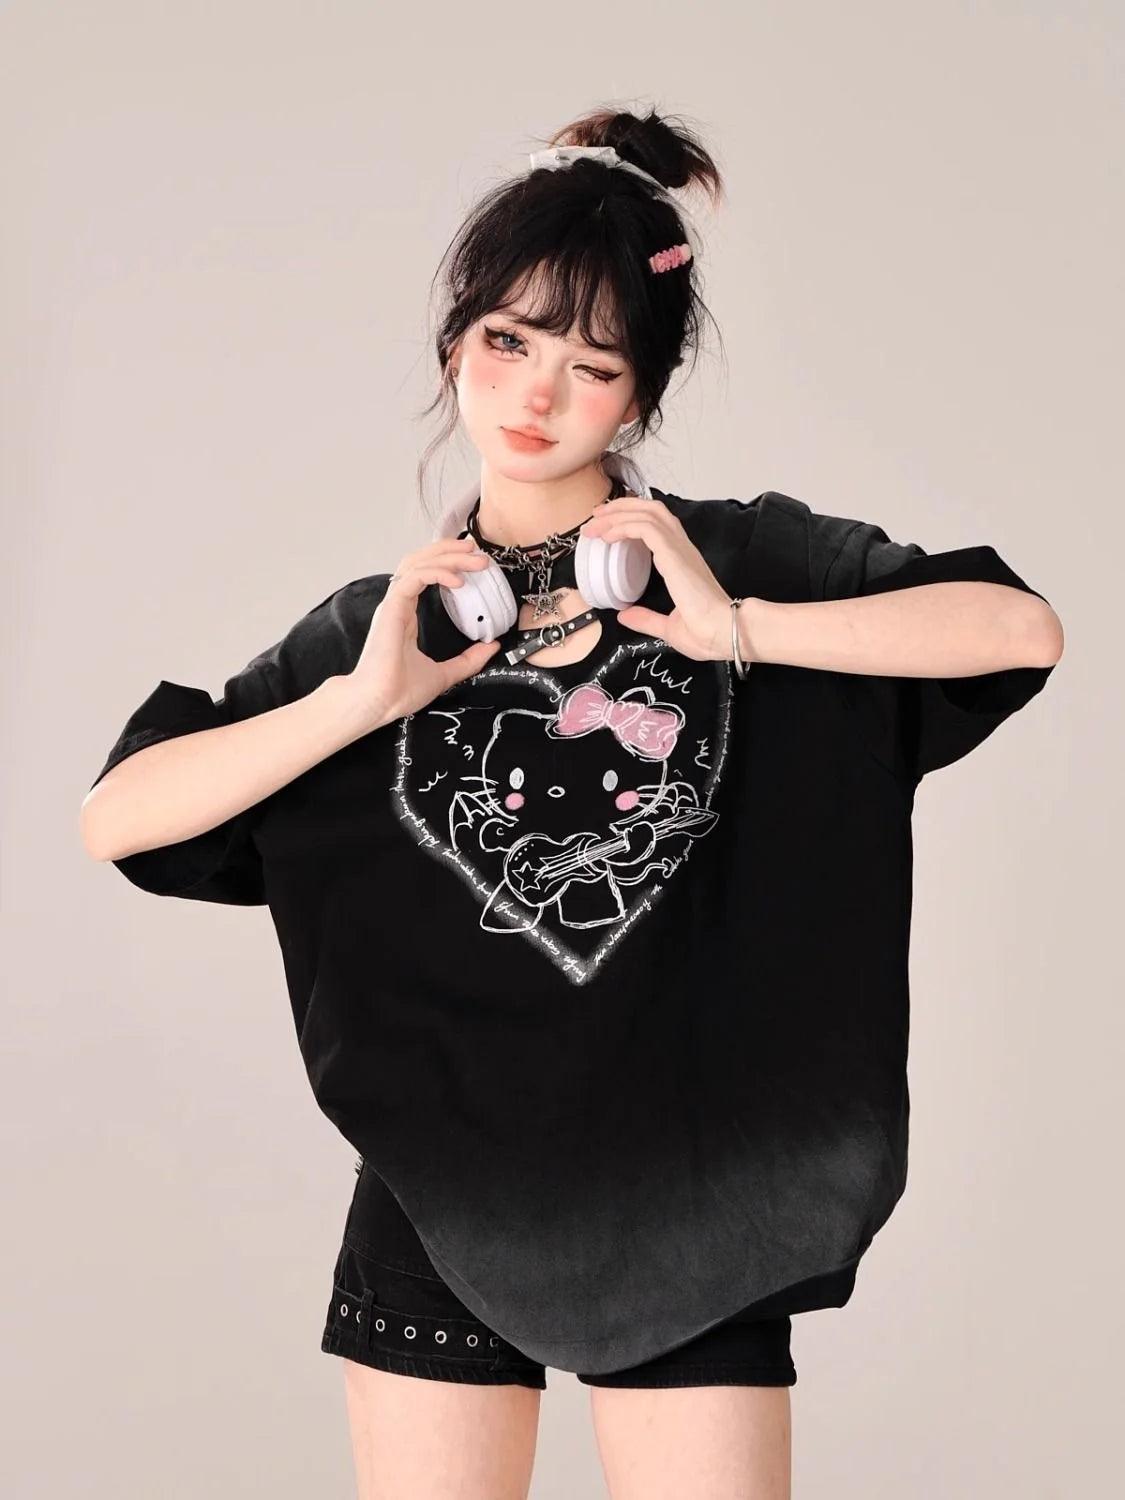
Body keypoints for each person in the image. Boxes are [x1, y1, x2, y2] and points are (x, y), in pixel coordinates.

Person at [81, 105, 1063, 1500]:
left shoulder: (737, 566)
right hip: (443, 1199)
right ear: (454, 345)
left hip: (697, 1200)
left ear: (640, 401)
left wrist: (737, 628)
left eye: (591, 366)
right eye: (507, 342)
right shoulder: (390, 630)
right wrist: (361, 701)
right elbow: (120, 817)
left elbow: (1018, 631)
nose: (535, 395)